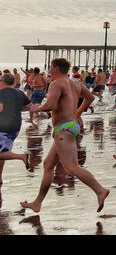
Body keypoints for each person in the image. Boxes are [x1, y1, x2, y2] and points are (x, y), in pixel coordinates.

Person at [20, 58, 110, 213]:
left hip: (63, 129)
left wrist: (36, 109)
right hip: (69, 127)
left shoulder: (56, 84)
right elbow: (90, 98)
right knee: (48, 164)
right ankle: (37, 203)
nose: (48, 69)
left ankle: (100, 190)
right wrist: (77, 113)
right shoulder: (75, 83)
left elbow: (51, 105)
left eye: (50, 67)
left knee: (71, 167)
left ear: (55, 68)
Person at [0, 73, 33, 185]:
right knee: (4, 151)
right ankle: (0, 177)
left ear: (3, 81)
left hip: (3, 127)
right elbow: (30, 106)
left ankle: (21, 156)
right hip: (15, 128)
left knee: (2, 152)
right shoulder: (19, 93)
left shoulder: (1, 92)